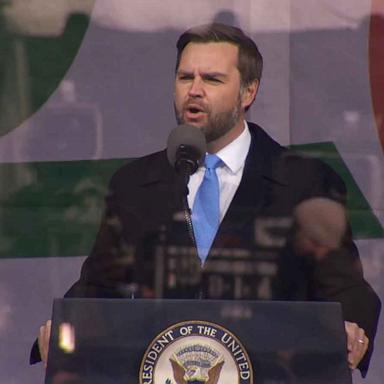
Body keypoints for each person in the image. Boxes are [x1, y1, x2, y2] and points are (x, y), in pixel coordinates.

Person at [32, 23, 381, 376]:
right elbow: (99, 287)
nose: (194, 91)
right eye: (186, 78)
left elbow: (344, 286)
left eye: (212, 80)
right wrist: (64, 326)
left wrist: (351, 325)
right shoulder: (135, 183)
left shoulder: (303, 181)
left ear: (248, 92)